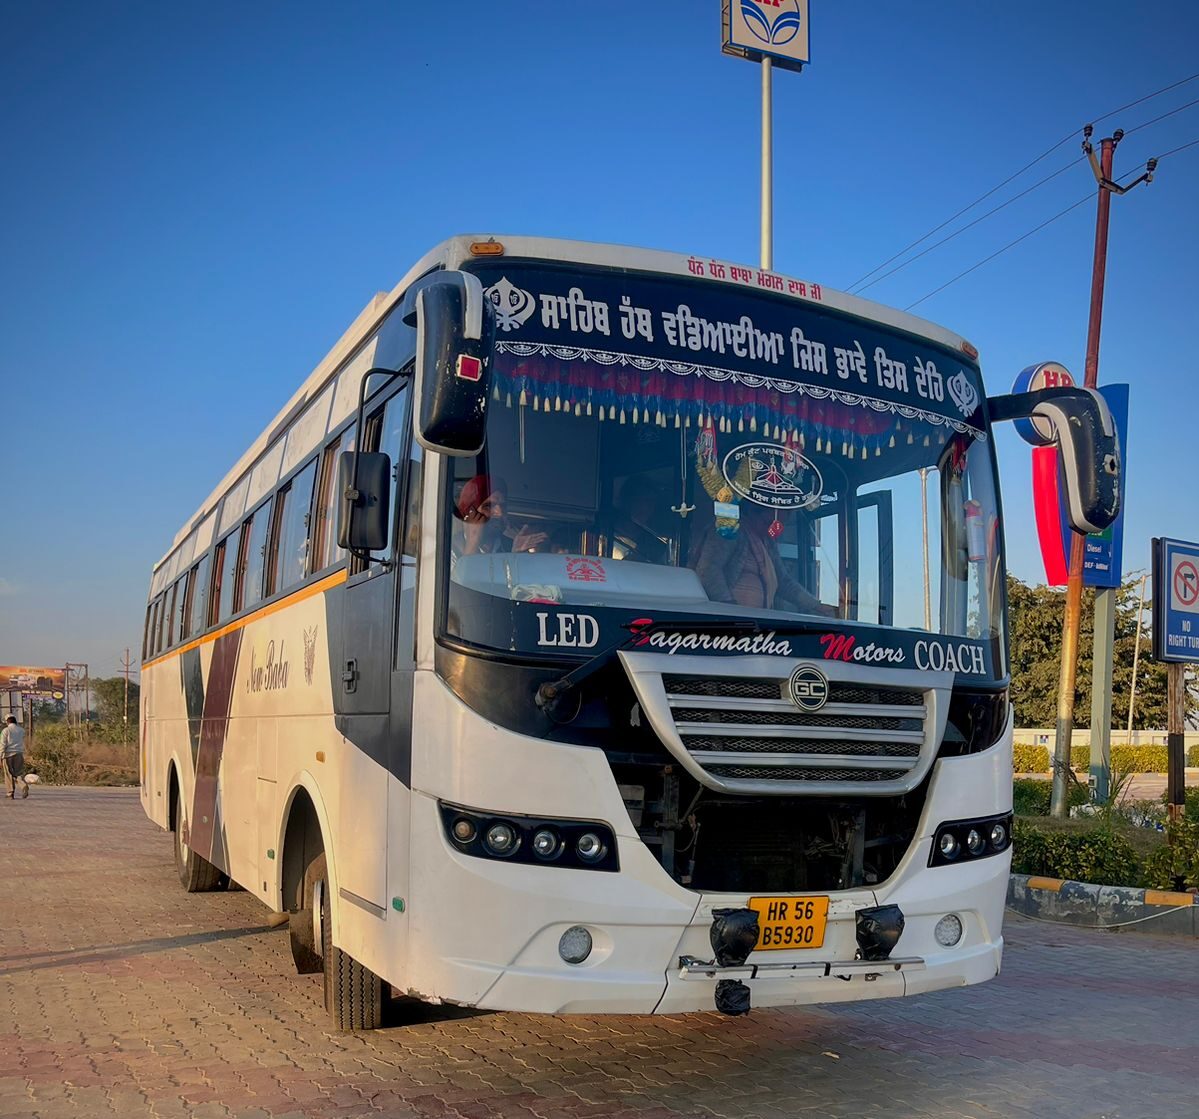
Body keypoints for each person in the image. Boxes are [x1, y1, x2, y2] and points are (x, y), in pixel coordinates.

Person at [693, 502, 833, 615]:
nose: (771, 529)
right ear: (752, 512)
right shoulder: (729, 531)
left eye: (777, 525)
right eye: (768, 522)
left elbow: (783, 582)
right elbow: (708, 570)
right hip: (728, 625)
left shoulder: (768, 543)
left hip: (759, 623)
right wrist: (729, 608)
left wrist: (817, 606)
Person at [454, 474, 547, 557]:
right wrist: (473, 542)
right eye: (488, 506)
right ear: (470, 512)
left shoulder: (509, 545)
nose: (500, 513)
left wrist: (515, 556)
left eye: (503, 506)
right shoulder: (450, 547)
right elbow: (465, 572)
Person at [611, 475, 668, 564]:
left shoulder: (657, 545)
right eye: (638, 500)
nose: (644, 507)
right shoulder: (601, 535)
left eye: (650, 502)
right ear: (625, 501)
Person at [2, 716, 30, 799]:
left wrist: (1, 755)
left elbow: (3, 744)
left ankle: (10, 793)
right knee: (18, 773)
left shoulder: (6, 730)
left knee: (8, 774)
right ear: (15, 722)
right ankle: (23, 785)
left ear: (7, 722)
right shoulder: (21, 730)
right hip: (19, 754)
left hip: (8, 755)